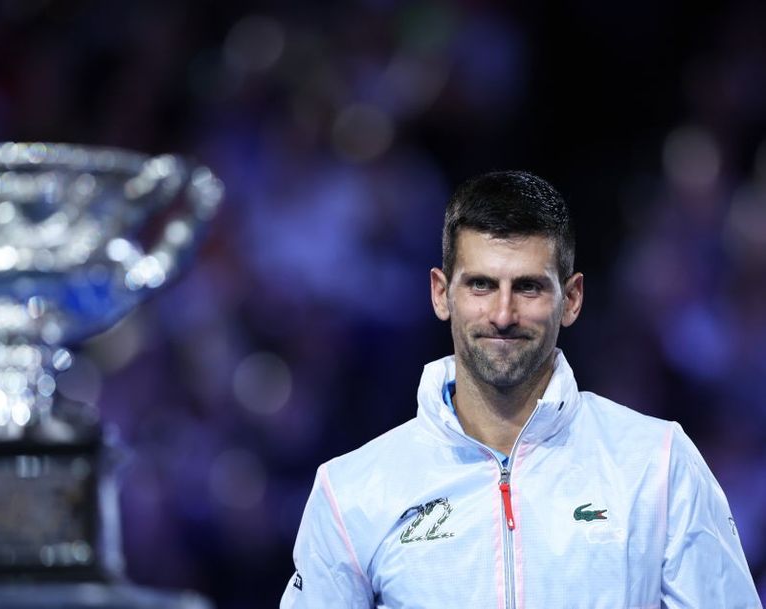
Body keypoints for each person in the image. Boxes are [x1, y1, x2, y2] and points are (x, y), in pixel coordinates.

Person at [280, 171, 761, 608]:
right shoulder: (353, 491)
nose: (504, 314)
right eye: (482, 285)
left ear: (571, 299)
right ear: (440, 294)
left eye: (529, 287)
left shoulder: (657, 464)